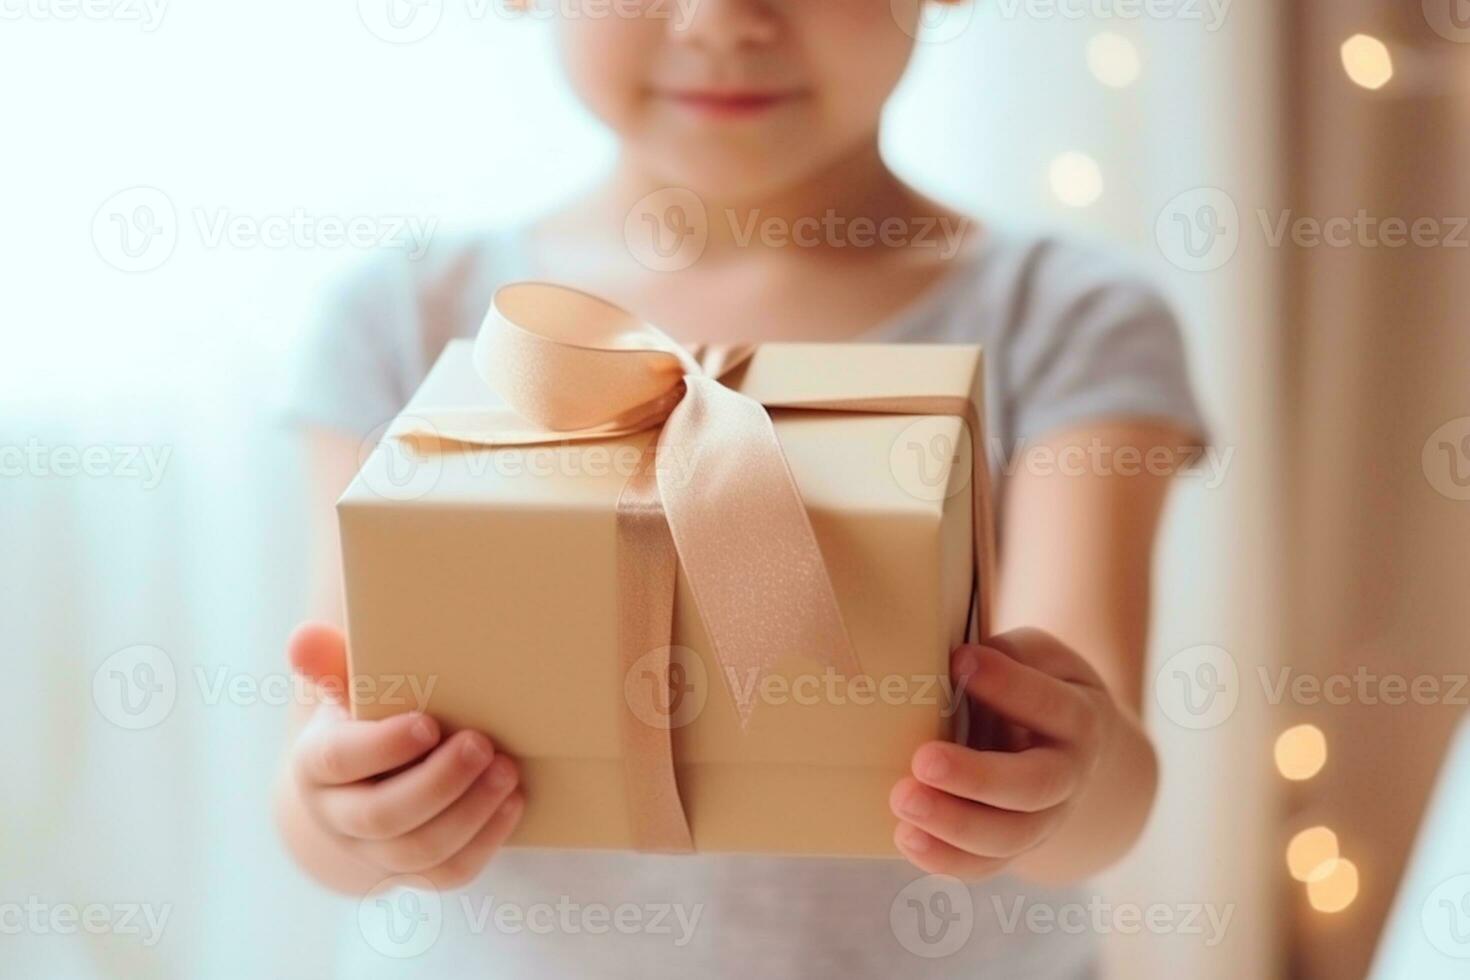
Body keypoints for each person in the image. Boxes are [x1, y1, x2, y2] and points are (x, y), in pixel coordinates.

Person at [276, 2, 1206, 975]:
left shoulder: (1067, 318)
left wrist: (1059, 780)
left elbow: (1105, 787)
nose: (722, 22)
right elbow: (316, 793)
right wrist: (353, 811)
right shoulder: (408, 320)